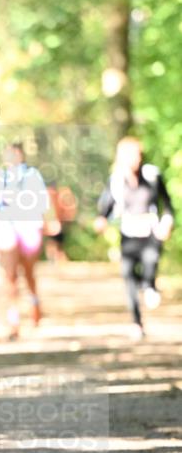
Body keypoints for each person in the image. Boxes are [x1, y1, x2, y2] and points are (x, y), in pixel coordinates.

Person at [94, 136, 174, 339]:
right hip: (129, 234)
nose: (134, 160)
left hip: (151, 232)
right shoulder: (116, 180)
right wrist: (101, 219)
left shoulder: (153, 175)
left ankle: (149, 285)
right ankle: (137, 323)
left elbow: (168, 206)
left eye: (137, 155)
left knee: (151, 260)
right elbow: (106, 205)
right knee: (128, 276)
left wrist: (167, 222)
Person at [0, 143, 48, 339]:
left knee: (29, 274)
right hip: (6, 227)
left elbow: (42, 202)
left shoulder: (33, 175)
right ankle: (14, 320)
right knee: (9, 277)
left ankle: (34, 303)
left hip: (28, 227)